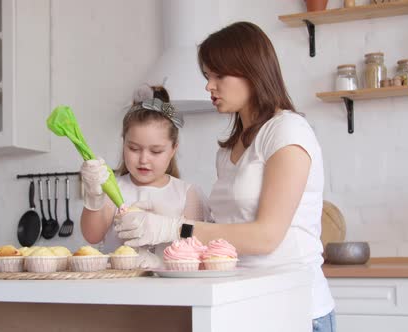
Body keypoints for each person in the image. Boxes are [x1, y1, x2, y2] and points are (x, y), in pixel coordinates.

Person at [114, 22, 336, 331]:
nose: (209, 86)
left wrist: (173, 227)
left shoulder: (287, 131)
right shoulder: (229, 150)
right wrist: (163, 216)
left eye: (219, 75)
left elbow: (266, 236)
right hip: (242, 304)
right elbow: (225, 234)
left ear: (251, 71)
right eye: (208, 76)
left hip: (294, 308)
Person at [79, 85, 210, 268]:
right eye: (133, 149)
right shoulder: (114, 188)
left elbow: (195, 244)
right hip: (117, 287)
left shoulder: (187, 193)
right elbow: (92, 235)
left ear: (173, 149)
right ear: (123, 142)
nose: (143, 159)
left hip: (170, 288)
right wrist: (93, 196)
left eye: (156, 151)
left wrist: (160, 264)